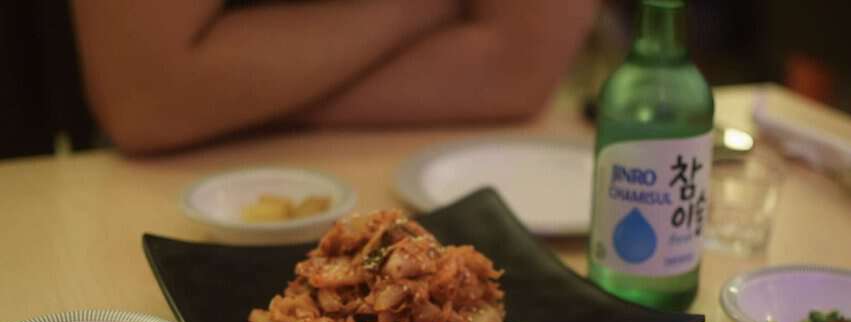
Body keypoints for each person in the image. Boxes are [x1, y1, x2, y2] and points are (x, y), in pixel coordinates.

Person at [72, 0, 599, 155]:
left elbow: (515, 68)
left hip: (452, 162)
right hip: (172, 182)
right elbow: (145, 99)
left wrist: (226, 90)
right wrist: (420, 10)